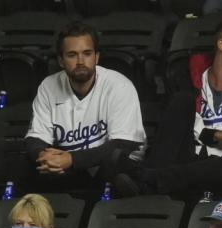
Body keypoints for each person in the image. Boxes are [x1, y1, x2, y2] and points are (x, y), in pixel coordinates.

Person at [113, 13, 222, 197]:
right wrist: (218, 134)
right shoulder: (185, 76)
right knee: (182, 100)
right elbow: (178, 130)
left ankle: (148, 181)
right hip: (187, 160)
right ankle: (153, 179)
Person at [25, 21, 145, 193]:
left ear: (96, 57)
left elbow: (122, 145)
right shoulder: (49, 86)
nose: (81, 61)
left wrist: (71, 159)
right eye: (72, 55)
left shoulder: (119, 85)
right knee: (28, 167)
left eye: (87, 53)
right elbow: (35, 138)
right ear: (61, 60)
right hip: (72, 167)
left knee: (114, 162)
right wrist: (44, 157)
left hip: (116, 168)